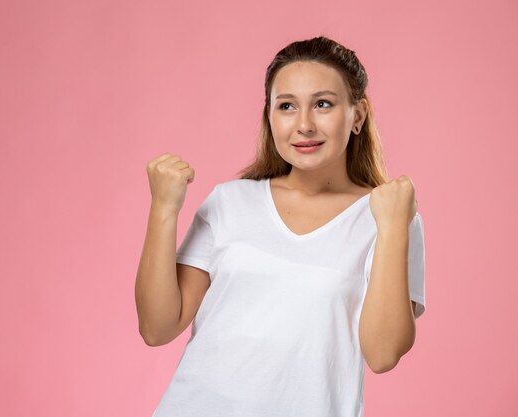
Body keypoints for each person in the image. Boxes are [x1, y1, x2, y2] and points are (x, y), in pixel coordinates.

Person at [135, 35, 426, 417]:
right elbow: (157, 329)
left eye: (323, 104)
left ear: (358, 115)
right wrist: (163, 209)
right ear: (269, 116)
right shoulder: (229, 202)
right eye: (286, 106)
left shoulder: (390, 216)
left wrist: (391, 230)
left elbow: (383, 353)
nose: (304, 125)